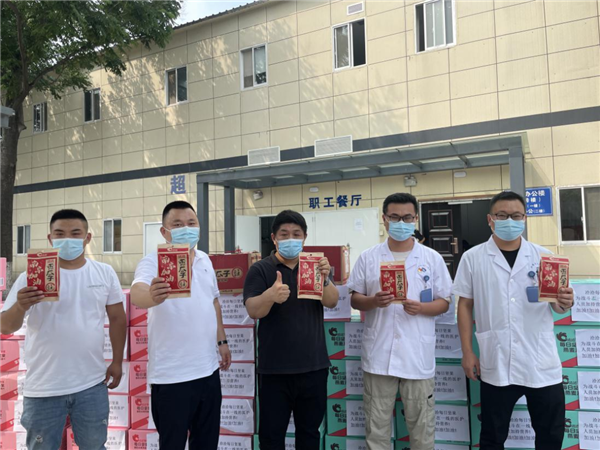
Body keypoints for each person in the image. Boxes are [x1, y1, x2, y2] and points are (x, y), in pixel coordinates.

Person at [453, 191, 574, 450]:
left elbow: (558, 306)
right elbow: (464, 305)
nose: (510, 220)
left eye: (516, 216)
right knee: (492, 436)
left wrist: (565, 300)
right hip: (497, 360)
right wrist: (467, 352)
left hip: (540, 361)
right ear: (490, 219)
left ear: (525, 219)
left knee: (550, 435)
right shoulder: (473, 257)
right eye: (502, 215)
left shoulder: (544, 257)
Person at [0, 209, 127, 450]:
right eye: (60, 234)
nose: (67, 239)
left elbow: (118, 318)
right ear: (50, 239)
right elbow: (6, 325)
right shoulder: (31, 277)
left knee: (94, 446)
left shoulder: (104, 273)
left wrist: (117, 361)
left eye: (75, 233)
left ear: (87, 238)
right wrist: (20, 305)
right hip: (44, 387)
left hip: (91, 383)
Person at [348, 193, 452, 450]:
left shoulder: (431, 258)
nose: (401, 223)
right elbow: (355, 299)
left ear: (415, 219)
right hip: (379, 354)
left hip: (417, 355)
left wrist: (422, 308)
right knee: (376, 428)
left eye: (407, 218)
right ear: (384, 219)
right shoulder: (369, 257)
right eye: (394, 217)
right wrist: (374, 301)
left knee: (422, 428)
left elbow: (444, 302)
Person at [130, 200, 230, 450]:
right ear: (164, 232)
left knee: (206, 443)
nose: (186, 228)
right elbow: (138, 293)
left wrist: (222, 341)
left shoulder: (205, 260)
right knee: (172, 444)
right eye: (177, 224)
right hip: (172, 377)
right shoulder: (152, 262)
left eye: (191, 223)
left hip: (208, 371)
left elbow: (213, 302)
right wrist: (152, 295)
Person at [243, 210, 339, 450]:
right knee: (271, 437)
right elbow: (253, 310)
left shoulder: (315, 267)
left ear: (305, 237)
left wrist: (326, 278)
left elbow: (332, 301)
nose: (290, 239)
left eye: (296, 234)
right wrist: (270, 296)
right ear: (274, 238)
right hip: (274, 371)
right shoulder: (261, 269)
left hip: (314, 367)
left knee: (309, 435)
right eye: (284, 234)